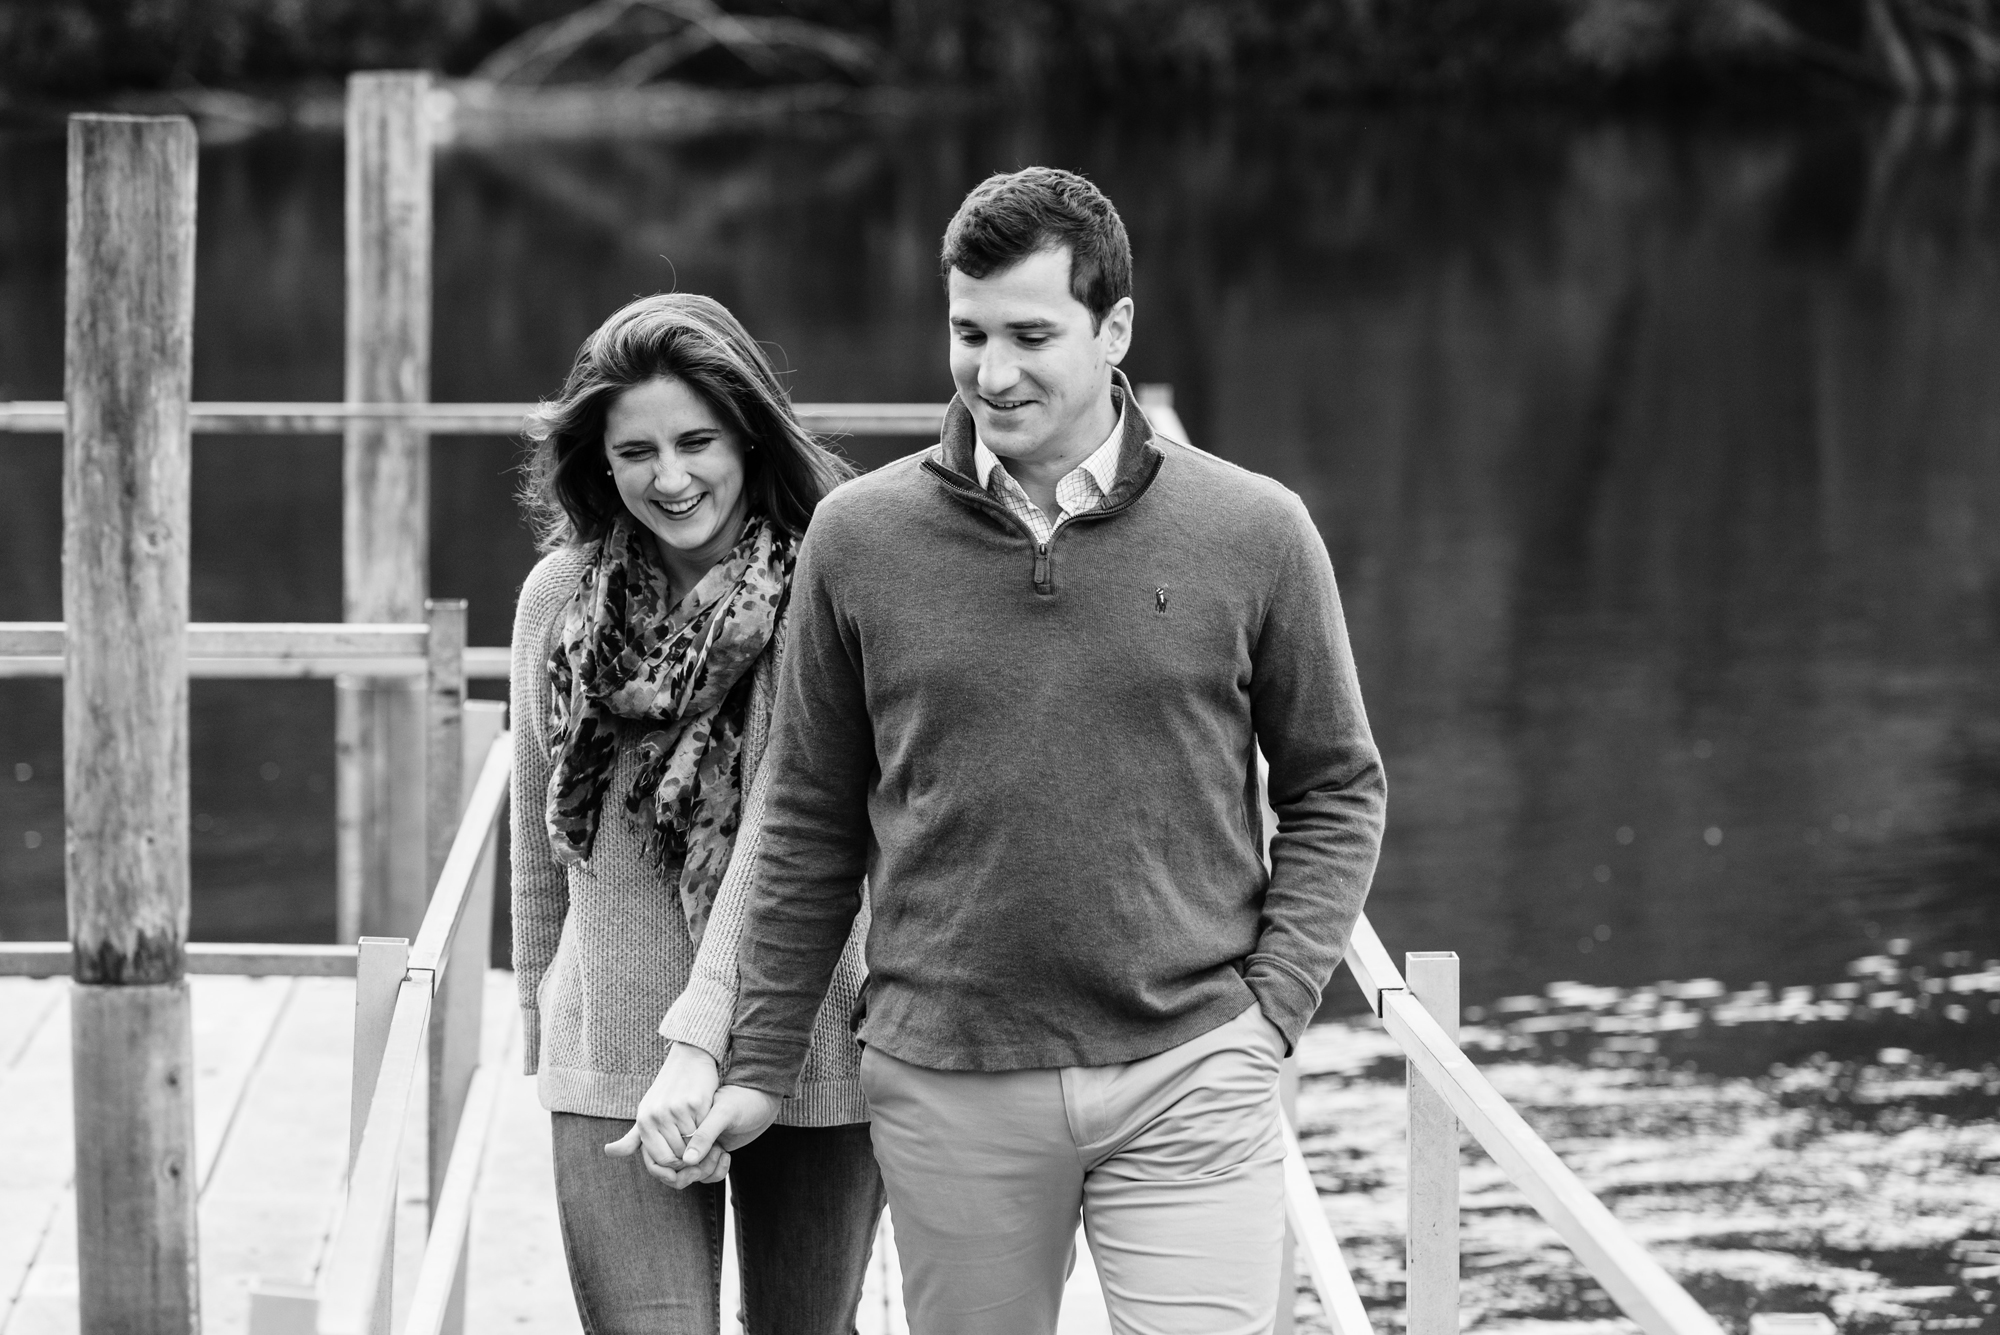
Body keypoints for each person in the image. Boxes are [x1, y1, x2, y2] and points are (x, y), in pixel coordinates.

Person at [674, 167, 1389, 1333]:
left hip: (1191, 1066)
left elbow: (1334, 786)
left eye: (1029, 334)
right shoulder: (859, 539)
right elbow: (808, 812)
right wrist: (755, 1062)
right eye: (967, 332)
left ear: (1113, 329)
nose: (990, 372)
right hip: (947, 1077)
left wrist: (1272, 1009)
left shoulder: (1254, 529)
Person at [509, 292, 882, 1335]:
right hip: (616, 1045)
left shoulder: (825, 585)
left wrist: (705, 1043)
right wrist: (543, 1021)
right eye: (636, 452)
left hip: (802, 1041)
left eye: (695, 441)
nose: (669, 478)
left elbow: (784, 832)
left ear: (747, 434)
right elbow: (540, 831)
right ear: (600, 461)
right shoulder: (557, 597)